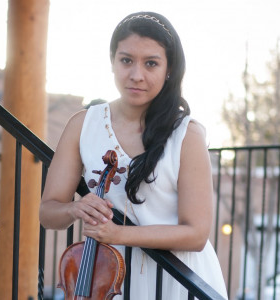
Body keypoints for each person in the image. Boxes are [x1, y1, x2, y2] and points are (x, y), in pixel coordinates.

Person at [39, 11, 228, 299]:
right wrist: (73, 209)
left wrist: (119, 235)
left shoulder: (187, 135)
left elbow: (196, 234)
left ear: (169, 69)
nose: (136, 75)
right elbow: (48, 213)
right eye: (126, 60)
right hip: (109, 277)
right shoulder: (83, 124)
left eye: (150, 63)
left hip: (177, 279)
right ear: (112, 62)